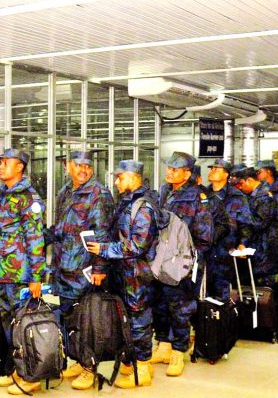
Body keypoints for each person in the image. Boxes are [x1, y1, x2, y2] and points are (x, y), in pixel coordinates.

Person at [0, 149, 48, 395]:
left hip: (19, 274)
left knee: (22, 322)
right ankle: (15, 369)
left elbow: (36, 240)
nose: (0, 166)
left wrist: (36, 277)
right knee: (8, 322)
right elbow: (4, 232)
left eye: (5, 163)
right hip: (3, 271)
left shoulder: (28, 198)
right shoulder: (5, 194)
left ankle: (29, 374)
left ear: (20, 167)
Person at [86, 159, 158, 389]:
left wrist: (105, 250)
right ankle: (130, 362)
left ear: (133, 177)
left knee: (138, 320)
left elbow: (138, 245)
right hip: (123, 273)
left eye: (120, 177)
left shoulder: (144, 208)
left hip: (137, 275)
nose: (116, 182)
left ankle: (143, 367)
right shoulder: (126, 203)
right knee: (127, 319)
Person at [48, 151, 115, 389]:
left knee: (87, 320)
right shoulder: (65, 192)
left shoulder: (99, 194)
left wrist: (99, 268)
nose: (84, 169)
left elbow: (103, 234)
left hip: (85, 269)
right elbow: (61, 228)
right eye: (78, 165)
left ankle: (90, 366)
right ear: (68, 166)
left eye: (88, 166)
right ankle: (77, 358)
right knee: (68, 317)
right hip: (64, 266)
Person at [150, 152, 211, 378]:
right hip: (160, 260)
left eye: (174, 170)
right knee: (160, 305)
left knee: (181, 308)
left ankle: (178, 351)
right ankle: (163, 344)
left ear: (187, 173)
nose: (169, 173)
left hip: (181, 263)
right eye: (168, 168)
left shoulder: (198, 197)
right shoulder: (164, 192)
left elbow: (205, 235)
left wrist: (190, 261)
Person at [206, 159, 255, 300]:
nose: (211, 171)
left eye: (216, 169)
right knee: (204, 293)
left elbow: (246, 223)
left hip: (226, 251)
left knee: (223, 291)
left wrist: (242, 243)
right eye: (211, 168)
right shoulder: (203, 195)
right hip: (206, 251)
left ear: (226, 174)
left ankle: (224, 319)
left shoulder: (236, 197)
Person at [233, 166, 278, 286]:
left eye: (241, 183)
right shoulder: (252, 196)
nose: (240, 187)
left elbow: (259, 223)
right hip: (255, 246)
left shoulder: (264, 197)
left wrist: (237, 217)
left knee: (263, 286)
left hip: (264, 248)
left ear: (249, 180)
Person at [256, 160, 278, 263]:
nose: (257, 175)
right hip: (261, 239)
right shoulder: (257, 190)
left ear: (269, 172)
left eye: (259, 172)